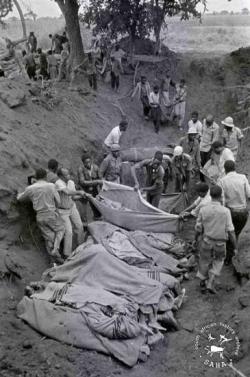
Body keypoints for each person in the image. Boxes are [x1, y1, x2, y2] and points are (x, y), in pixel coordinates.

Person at [194, 185, 237, 294]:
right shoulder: (225, 211)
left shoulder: (203, 210)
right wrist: (235, 247)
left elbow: (198, 228)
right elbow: (231, 231)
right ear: (221, 195)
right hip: (220, 243)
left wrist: (195, 239)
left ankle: (203, 281)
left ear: (211, 195)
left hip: (206, 240)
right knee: (218, 260)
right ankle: (211, 282)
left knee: (204, 260)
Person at [17, 168, 65, 259]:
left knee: (49, 237)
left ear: (36, 177)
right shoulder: (51, 186)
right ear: (45, 176)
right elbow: (58, 202)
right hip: (51, 214)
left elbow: (20, 199)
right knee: (61, 229)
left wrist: (18, 192)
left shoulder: (30, 188)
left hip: (39, 216)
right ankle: (56, 249)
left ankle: (54, 260)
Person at [219, 160, 250, 264]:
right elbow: (249, 194)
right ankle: (236, 255)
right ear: (234, 168)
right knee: (236, 233)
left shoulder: (222, 181)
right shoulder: (243, 177)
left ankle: (229, 258)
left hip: (231, 211)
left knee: (229, 234)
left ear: (225, 169)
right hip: (243, 212)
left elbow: (222, 200)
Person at [55, 168, 86, 257]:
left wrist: (82, 196)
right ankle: (66, 254)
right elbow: (68, 192)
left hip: (72, 207)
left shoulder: (71, 182)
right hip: (62, 210)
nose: (68, 176)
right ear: (61, 176)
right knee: (69, 231)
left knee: (79, 226)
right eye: (66, 175)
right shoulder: (58, 183)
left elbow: (73, 197)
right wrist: (80, 192)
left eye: (69, 174)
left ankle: (81, 247)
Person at [78, 153, 102, 220]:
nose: (88, 164)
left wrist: (101, 189)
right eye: (86, 163)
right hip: (85, 190)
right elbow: (82, 182)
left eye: (89, 162)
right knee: (85, 206)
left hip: (95, 189)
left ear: (91, 161)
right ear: (83, 163)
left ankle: (97, 217)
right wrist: (95, 182)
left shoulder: (95, 167)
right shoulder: (81, 169)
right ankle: (85, 220)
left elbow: (100, 179)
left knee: (97, 204)